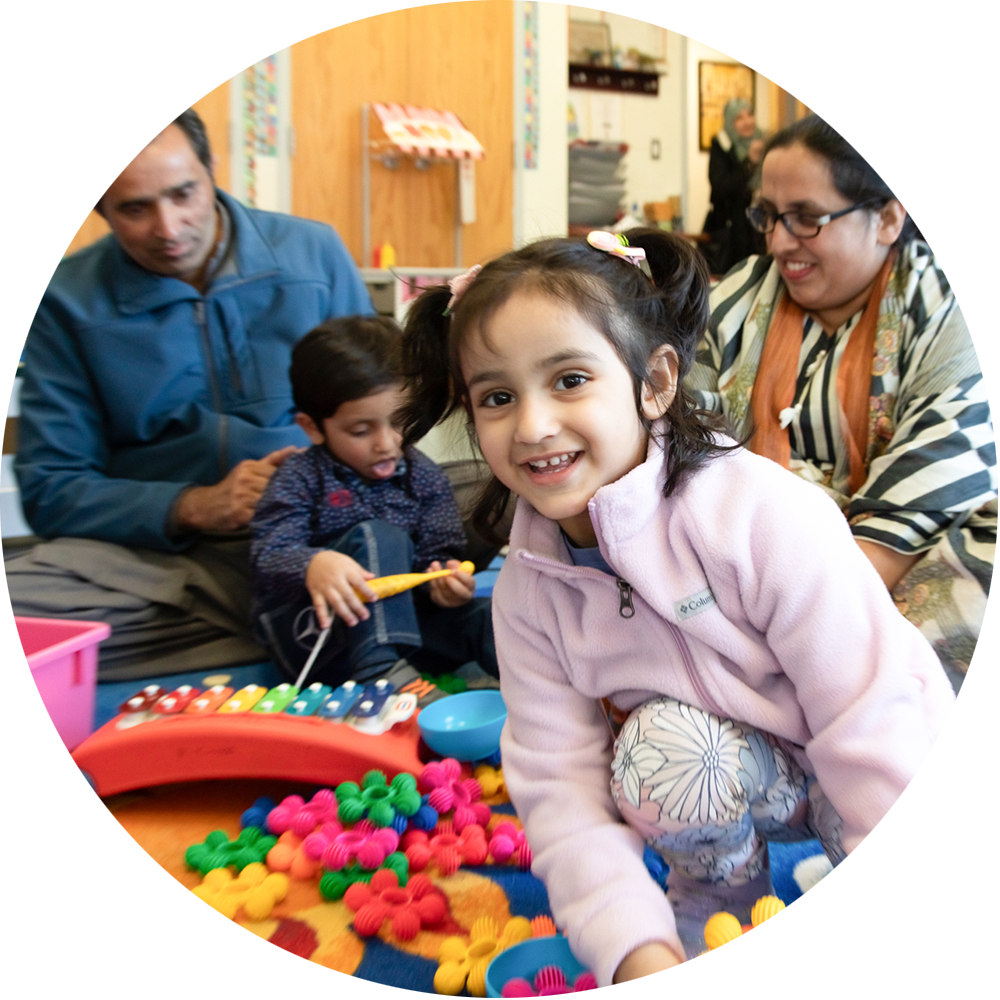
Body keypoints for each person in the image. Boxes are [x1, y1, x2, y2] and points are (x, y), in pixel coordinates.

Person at [396, 228, 955, 985]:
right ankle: (716, 910)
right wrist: (635, 949)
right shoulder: (529, 583)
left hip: (890, 766)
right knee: (660, 753)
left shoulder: (760, 514)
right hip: (730, 769)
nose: (532, 426)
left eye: (568, 380)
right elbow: (560, 784)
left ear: (654, 383)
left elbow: (868, 710)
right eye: (497, 397)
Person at [8, 107, 374, 680]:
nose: (169, 227)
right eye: (134, 208)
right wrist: (195, 506)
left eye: (184, 194)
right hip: (162, 560)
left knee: (489, 494)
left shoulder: (314, 254)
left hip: (325, 528)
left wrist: (321, 478)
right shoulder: (64, 300)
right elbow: (52, 490)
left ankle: (282, 617)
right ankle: (307, 620)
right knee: (20, 601)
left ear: (211, 169)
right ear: (98, 206)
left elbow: (388, 415)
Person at [688, 113, 996, 694]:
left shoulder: (950, 309)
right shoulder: (736, 298)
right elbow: (681, 435)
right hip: (751, 564)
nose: (778, 241)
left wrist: (807, 626)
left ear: (886, 218)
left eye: (806, 218)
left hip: (893, 561)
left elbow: (942, 468)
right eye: (768, 217)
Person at [250, 315, 497, 688]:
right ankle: (380, 672)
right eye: (361, 431)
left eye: (399, 421)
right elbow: (267, 554)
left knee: (488, 617)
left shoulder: (424, 476)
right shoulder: (299, 477)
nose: (386, 443)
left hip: (411, 631)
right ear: (313, 427)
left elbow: (438, 550)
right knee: (379, 537)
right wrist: (312, 563)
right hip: (325, 641)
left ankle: (546, 683)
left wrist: (444, 581)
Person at [701, 97, 766, 275]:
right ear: (730, 122)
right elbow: (720, 187)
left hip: (757, 231)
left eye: (750, 115)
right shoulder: (722, 146)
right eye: (739, 118)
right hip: (730, 236)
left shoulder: (764, 144)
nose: (747, 122)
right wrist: (748, 163)